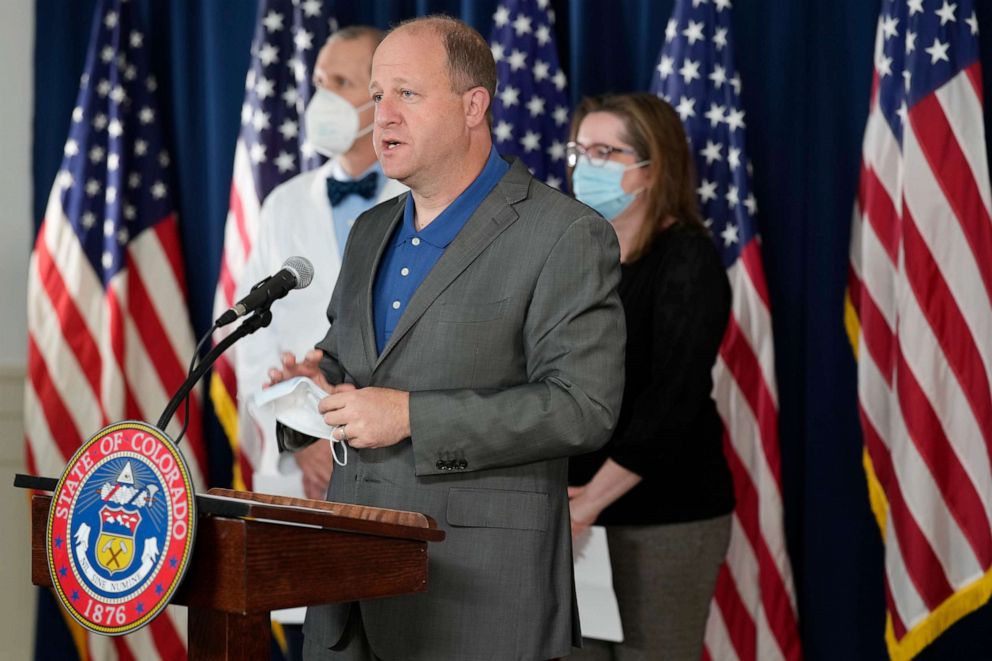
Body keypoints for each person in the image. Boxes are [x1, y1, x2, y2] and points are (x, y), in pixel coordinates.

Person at [268, 15, 626, 661]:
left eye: (407, 93)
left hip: (475, 595)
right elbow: (351, 362)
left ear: (473, 105)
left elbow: (583, 408)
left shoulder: (564, 233)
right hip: (347, 587)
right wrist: (312, 393)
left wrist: (411, 416)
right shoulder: (372, 229)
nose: (383, 116)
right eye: (378, 96)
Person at [566, 93, 735, 661]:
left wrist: (590, 502)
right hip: (571, 509)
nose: (584, 165)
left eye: (604, 151)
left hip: (666, 512)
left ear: (651, 166)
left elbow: (673, 398)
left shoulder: (687, 260)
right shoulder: (575, 259)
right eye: (580, 150)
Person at [235, 26, 406, 501]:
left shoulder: (422, 199)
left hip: (396, 457)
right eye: (319, 83)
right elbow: (254, 339)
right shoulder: (284, 203)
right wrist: (303, 442)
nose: (323, 98)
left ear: (380, 97)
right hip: (298, 465)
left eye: (342, 84)